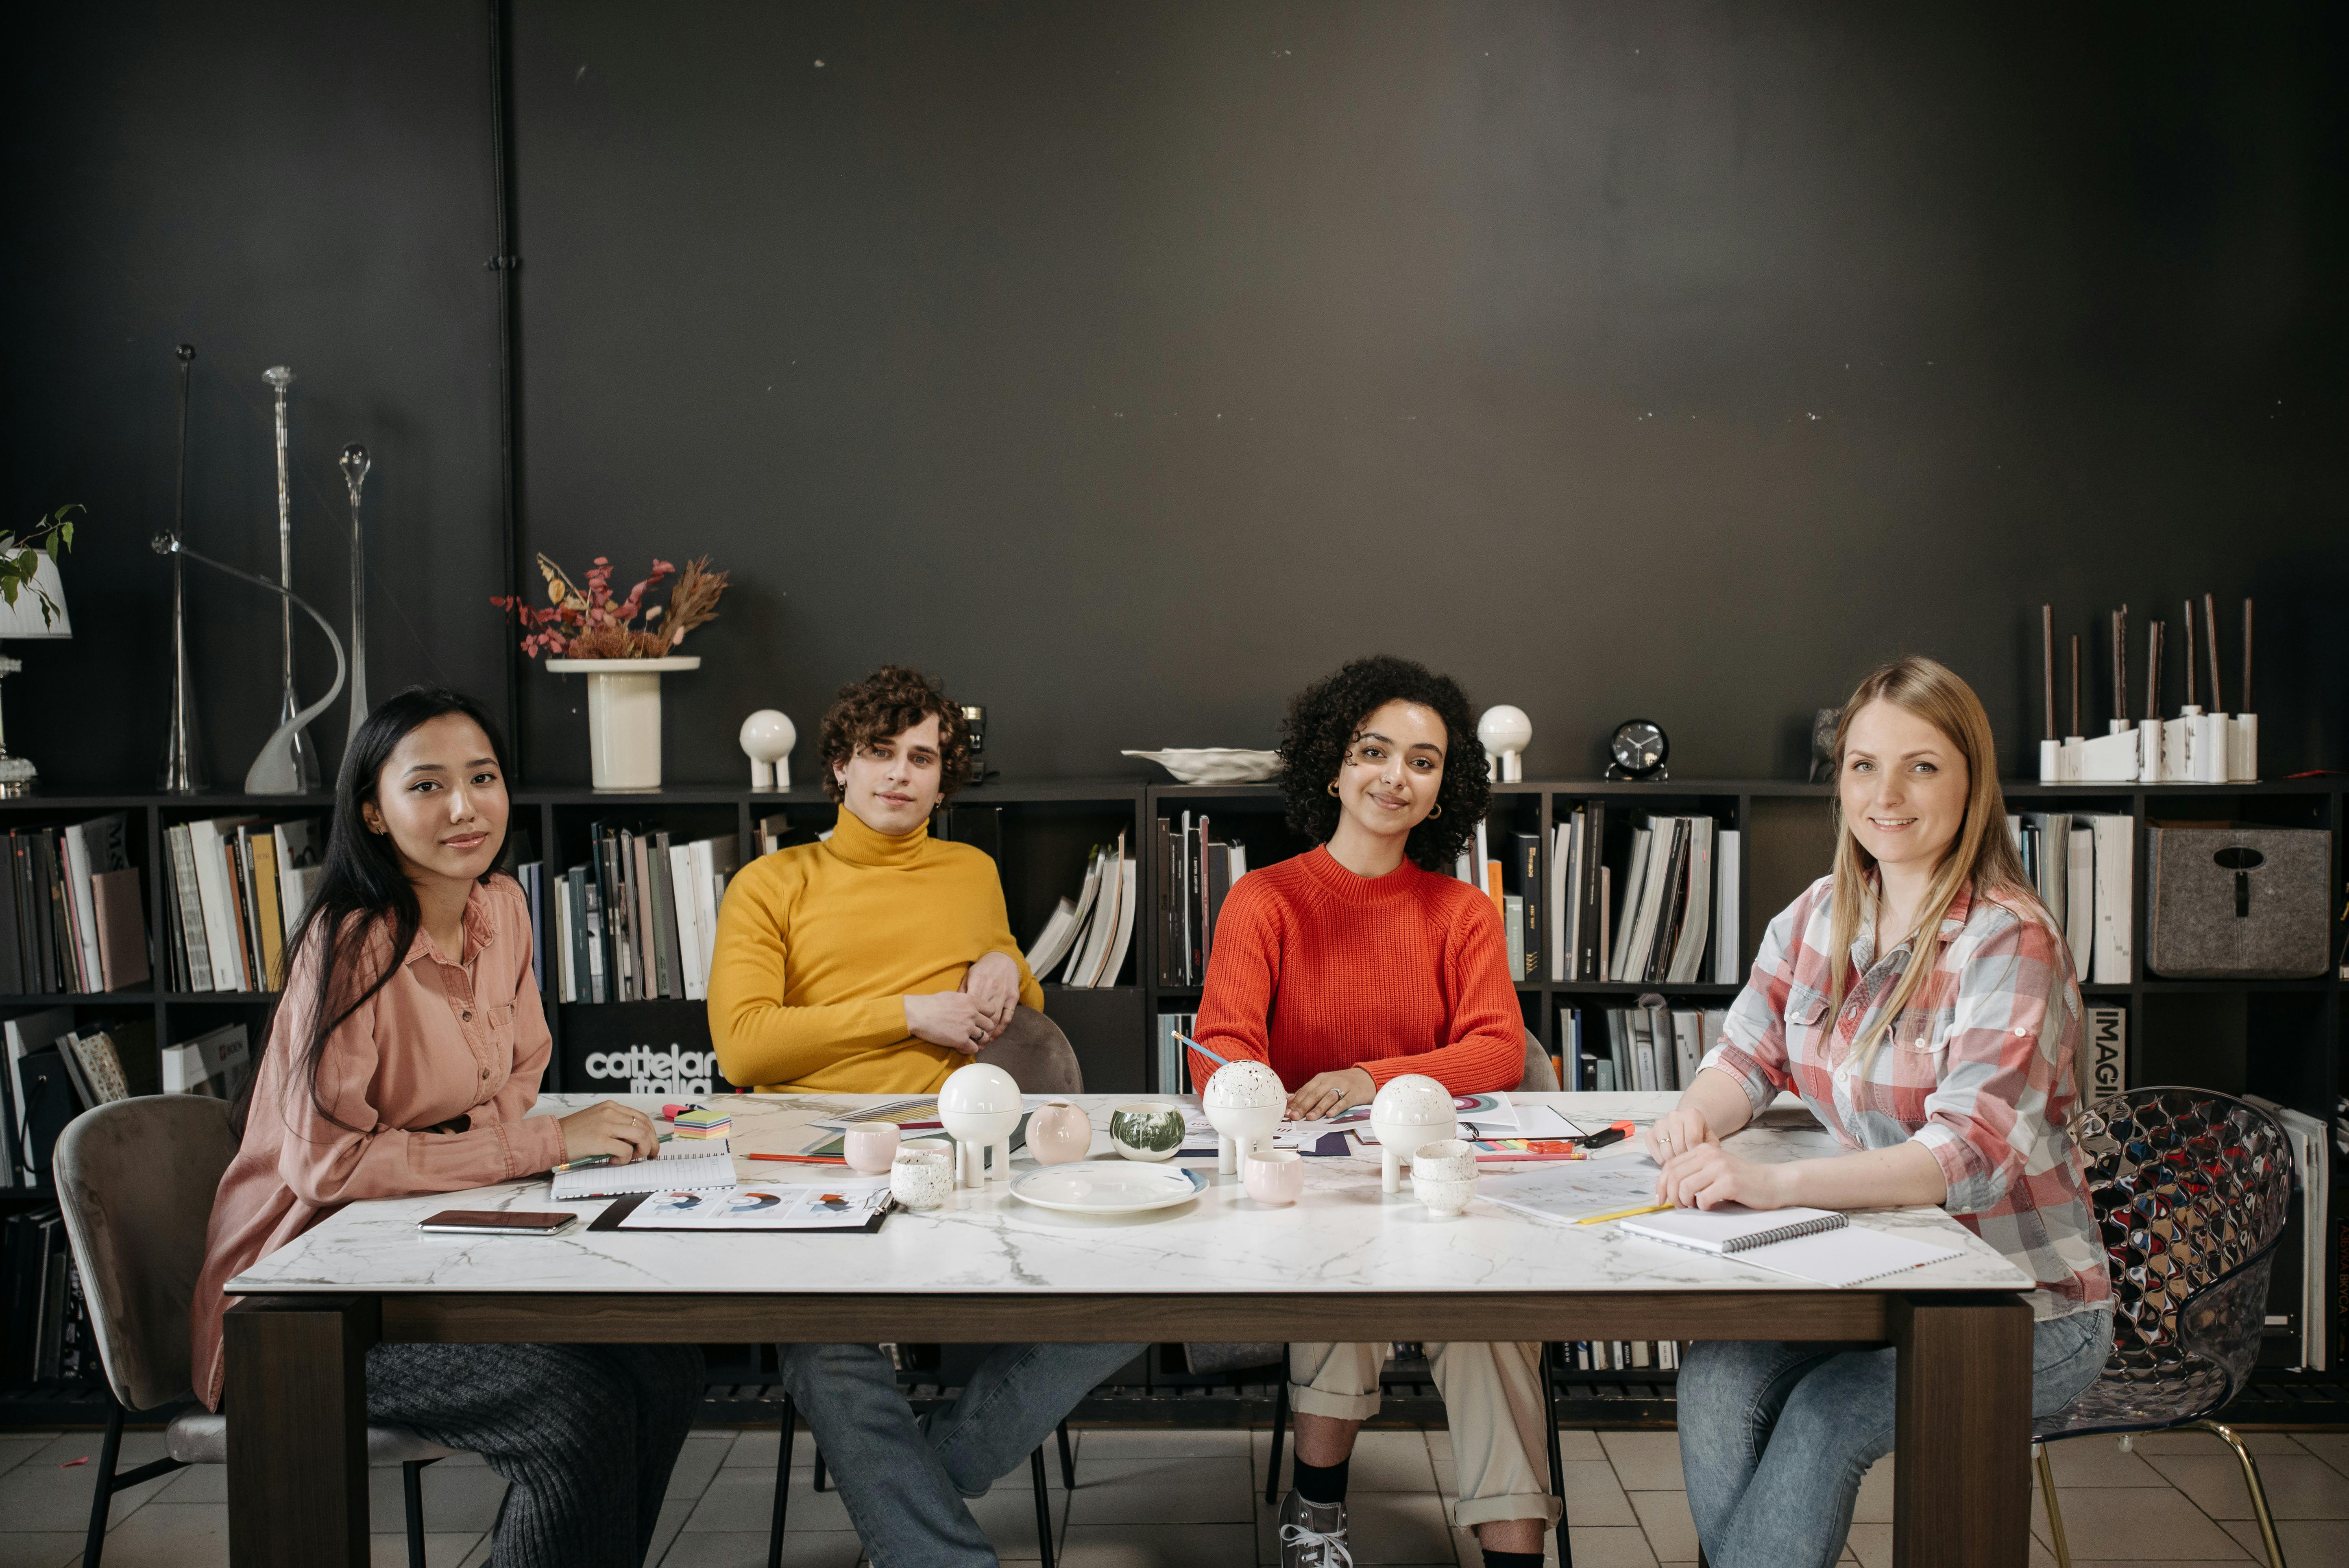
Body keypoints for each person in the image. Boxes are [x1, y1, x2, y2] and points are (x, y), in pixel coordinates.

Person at [192, 688, 701, 1568]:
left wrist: (472, 1147)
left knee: (667, 1363)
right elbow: (328, 1166)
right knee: (574, 1410)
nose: (464, 807)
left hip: (428, 1249)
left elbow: (520, 1069)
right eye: (427, 785)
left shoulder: (500, 908)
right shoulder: (351, 945)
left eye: (483, 778)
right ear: (373, 812)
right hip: (299, 1303)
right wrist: (535, 1142)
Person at [1653, 657, 2114, 1568]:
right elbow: (1747, 1055)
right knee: (1713, 1372)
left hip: (2022, 1306)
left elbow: (1966, 1151)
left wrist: (1773, 1181)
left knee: (1825, 1417)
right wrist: (1696, 1116)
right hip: (1872, 1275)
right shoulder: (1818, 911)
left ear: (1971, 781)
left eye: (1921, 765)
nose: (1885, 794)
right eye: (1862, 765)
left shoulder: (2009, 936)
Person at [708, 664, 1139, 1564]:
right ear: (838, 766)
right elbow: (743, 1047)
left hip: (962, 1150)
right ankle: (940, 1550)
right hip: (813, 1156)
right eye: (879, 753)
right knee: (826, 1353)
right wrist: (909, 1011)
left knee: (1137, 1295)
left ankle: (919, 1490)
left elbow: (1010, 976)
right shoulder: (771, 882)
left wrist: (998, 968)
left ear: (945, 778)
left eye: (922, 756)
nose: (899, 774)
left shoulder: (968, 867)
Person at [1189, 654, 1555, 1568]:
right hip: (1311, 1182)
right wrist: (1271, 1095)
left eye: (1422, 761)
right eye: (1373, 750)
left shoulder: (1462, 911)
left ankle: (1515, 1555)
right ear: (1333, 765)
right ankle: (1315, 1514)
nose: (1395, 775)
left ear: (1442, 790)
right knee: (1337, 1285)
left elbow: (1498, 1051)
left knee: (1494, 1325)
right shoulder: (1264, 898)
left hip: (1440, 1182)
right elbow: (1224, 1043)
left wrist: (1366, 1075)